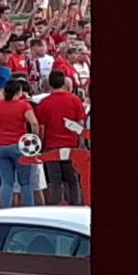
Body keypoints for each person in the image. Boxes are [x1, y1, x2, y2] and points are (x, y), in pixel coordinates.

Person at [0, 79, 40, 208]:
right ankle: (29, 210)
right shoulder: (24, 105)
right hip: (19, 146)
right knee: (25, 182)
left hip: (1, 146)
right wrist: (35, 139)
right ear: (18, 91)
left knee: (7, 182)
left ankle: (5, 210)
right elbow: (34, 123)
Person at [35, 70, 87, 205]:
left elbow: (42, 128)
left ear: (50, 85)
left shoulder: (44, 103)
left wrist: (41, 144)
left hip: (52, 146)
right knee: (73, 180)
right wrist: (79, 142)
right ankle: (76, 207)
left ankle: (55, 208)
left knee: (55, 182)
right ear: (64, 83)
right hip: (71, 145)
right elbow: (80, 125)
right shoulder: (75, 100)